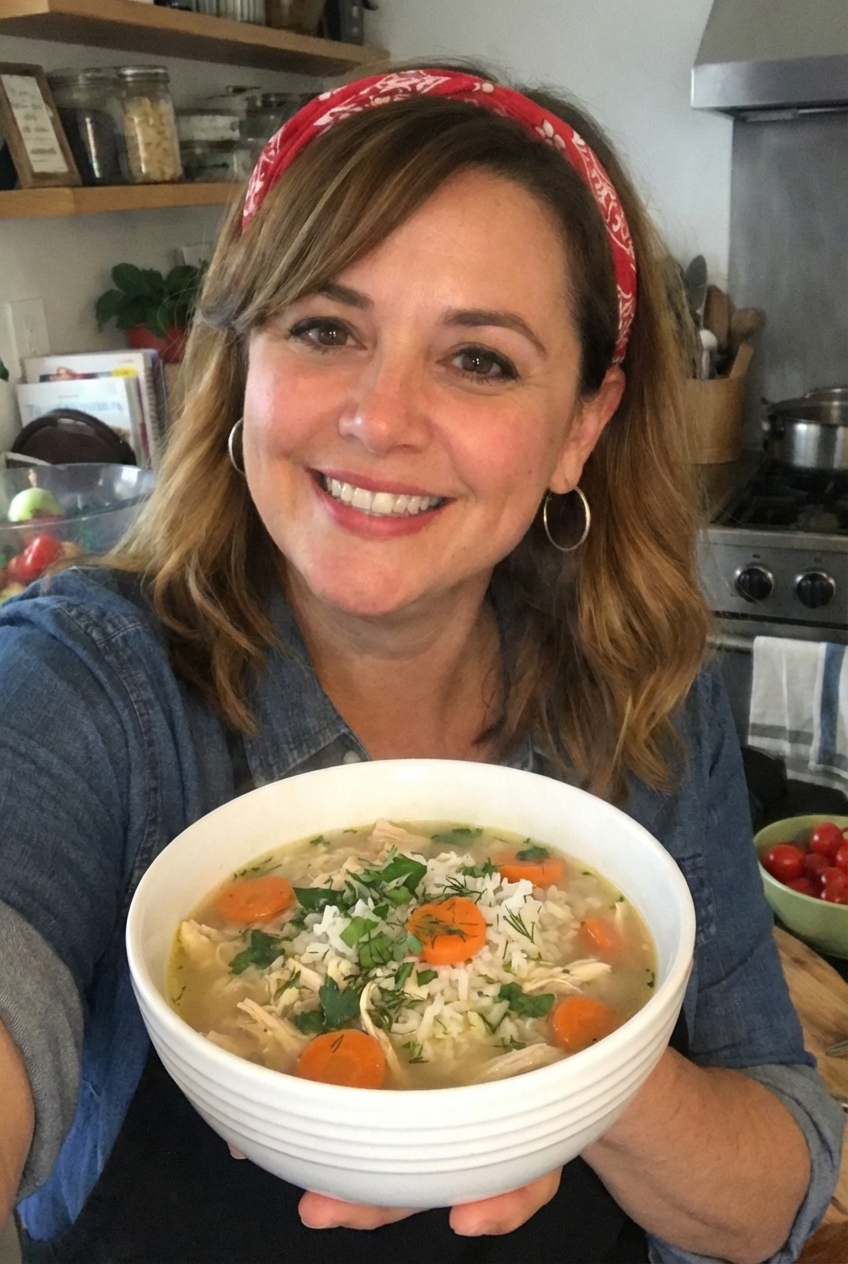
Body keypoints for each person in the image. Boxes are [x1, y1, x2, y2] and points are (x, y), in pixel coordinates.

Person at [0, 65, 842, 1264]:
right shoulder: (87, 683)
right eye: (325, 330)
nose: (379, 418)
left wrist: (567, 1061)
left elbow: (776, 1184)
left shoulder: (650, 699)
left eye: (480, 359)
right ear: (244, 366)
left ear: (580, 429)